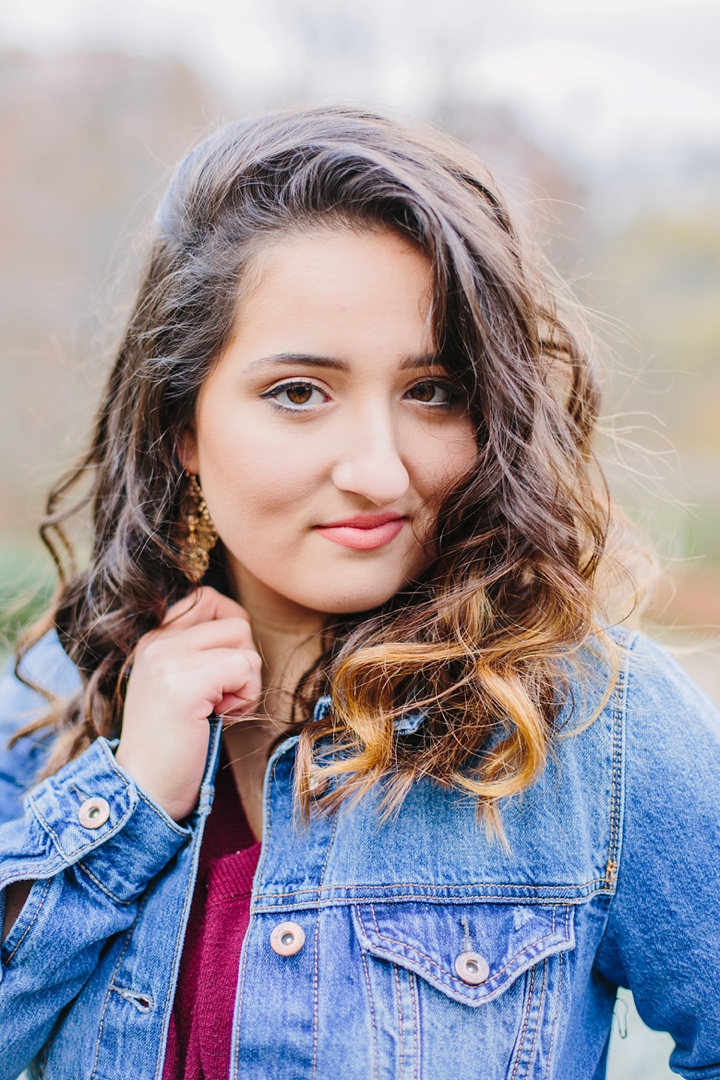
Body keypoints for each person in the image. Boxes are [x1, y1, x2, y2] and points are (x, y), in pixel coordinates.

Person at [0, 107, 718, 1080]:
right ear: (183, 423)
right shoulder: (51, 703)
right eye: (300, 392)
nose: (381, 472)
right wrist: (128, 800)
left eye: (433, 391)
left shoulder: (597, 722)